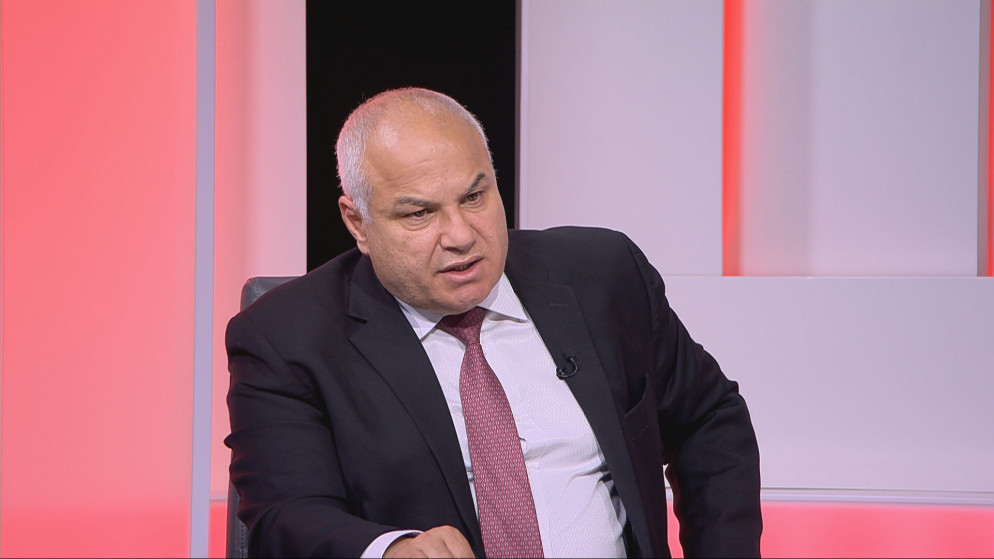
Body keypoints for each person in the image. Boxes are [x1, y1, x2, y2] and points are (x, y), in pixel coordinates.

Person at [225, 87, 761, 558]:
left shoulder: (602, 277)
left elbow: (708, 418)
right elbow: (286, 513)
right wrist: (390, 550)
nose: (461, 235)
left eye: (474, 197)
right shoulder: (287, 336)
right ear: (357, 222)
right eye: (419, 214)